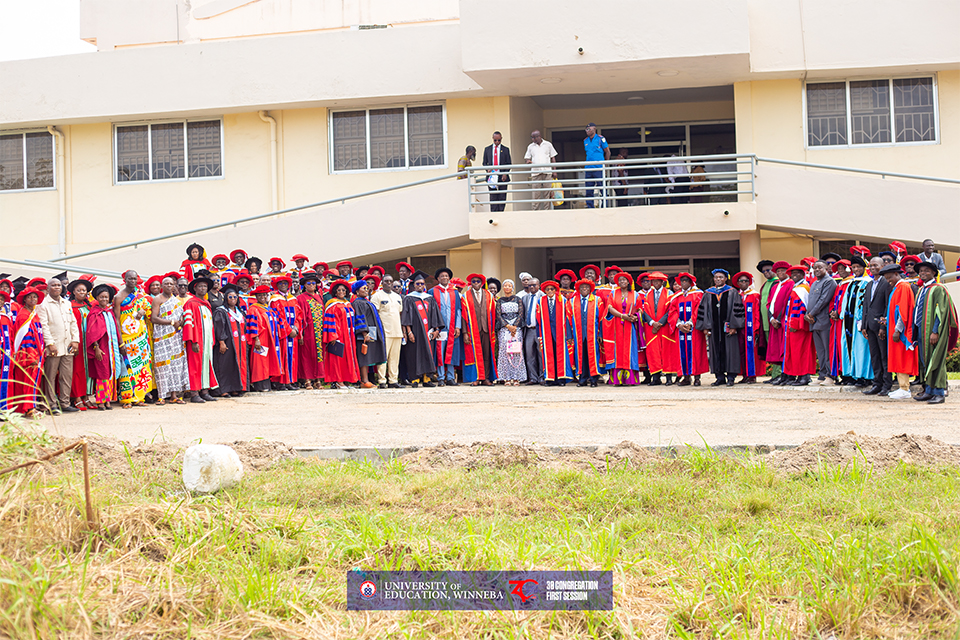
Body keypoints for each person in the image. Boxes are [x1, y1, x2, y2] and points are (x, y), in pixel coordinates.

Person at [913, 262, 958, 404]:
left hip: (932, 331)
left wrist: (935, 331)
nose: (923, 273)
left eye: (927, 270)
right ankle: (928, 390)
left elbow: (941, 312)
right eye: (921, 271)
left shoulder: (939, 289)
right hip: (921, 330)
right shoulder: (922, 289)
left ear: (934, 273)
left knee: (936, 360)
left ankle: (939, 392)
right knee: (925, 360)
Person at [37, 276, 80, 414]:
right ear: (48, 289)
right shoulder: (42, 305)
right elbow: (44, 326)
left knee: (66, 375)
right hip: (53, 347)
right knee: (50, 376)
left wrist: (75, 340)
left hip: (67, 345)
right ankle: (51, 404)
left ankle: (65, 402)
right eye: (53, 285)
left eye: (59, 285)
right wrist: (49, 343)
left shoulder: (66, 303)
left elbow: (73, 323)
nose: (57, 287)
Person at [696, 269, 744, 387]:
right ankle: (720, 377)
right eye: (716, 277)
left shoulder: (732, 292)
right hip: (714, 328)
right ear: (713, 279)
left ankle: (731, 377)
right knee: (715, 352)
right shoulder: (708, 293)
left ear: (725, 279)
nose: (718, 279)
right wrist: (705, 327)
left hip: (728, 328)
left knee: (730, 351)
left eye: (721, 277)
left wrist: (734, 326)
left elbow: (737, 309)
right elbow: (704, 311)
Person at [114, 270, 154, 406]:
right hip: (127, 338)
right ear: (124, 280)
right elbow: (117, 320)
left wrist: (143, 311)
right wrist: (120, 342)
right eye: (129, 279)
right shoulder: (119, 297)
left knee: (142, 367)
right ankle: (126, 398)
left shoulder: (140, 296)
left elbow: (148, 312)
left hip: (141, 337)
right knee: (127, 369)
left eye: (134, 278)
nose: (132, 281)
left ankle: (139, 397)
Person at [149, 276, 189, 405]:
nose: (169, 286)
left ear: (174, 286)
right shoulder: (157, 299)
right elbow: (153, 318)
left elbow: (180, 315)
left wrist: (180, 322)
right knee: (163, 366)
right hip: (162, 338)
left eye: (171, 284)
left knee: (176, 366)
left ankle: (174, 395)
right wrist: (172, 322)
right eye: (166, 284)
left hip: (176, 337)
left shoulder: (176, 300)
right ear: (162, 286)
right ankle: (161, 396)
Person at [880, 264, 917, 400]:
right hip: (894, 329)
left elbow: (902, 311)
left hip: (900, 333)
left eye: (890, 278)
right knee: (897, 357)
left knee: (901, 357)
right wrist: (887, 320)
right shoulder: (896, 288)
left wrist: (897, 329)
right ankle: (902, 387)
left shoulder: (903, 287)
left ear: (897, 274)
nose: (888, 281)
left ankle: (904, 388)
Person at [401, 271, 443, 387]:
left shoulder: (429, 298)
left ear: (424, 285)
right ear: (414, 285)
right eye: (418, 284)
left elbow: (435, 315)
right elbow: (406, 317)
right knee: (414, 355)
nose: (420, 286)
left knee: (428, 354)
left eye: (422, 284)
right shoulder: (409, 298)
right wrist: (409, 332)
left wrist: (436, 330)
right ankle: (415, 380)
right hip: (415, 332)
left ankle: (427, 379)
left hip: (428, 333)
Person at [182, 276, 219, 403]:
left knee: (206, 365)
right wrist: (192, 341)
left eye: (205, 286)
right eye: (200, 286)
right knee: (195, 366)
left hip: (207, 341)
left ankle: (205, 391)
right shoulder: (190, 304)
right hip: (196, 341)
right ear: (195, 288)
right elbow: (188, 323)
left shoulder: (207, 304)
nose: (203, 288)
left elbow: (210, 324)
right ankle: (194, 393)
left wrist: (212, 340)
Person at [86, 284, 122, 411]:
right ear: (97, 298)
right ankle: (101, 401)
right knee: (102, 374)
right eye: (101, 297)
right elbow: (91, 333)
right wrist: (96, 347)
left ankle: (108, 400)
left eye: (106, 297)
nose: (104, 300)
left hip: (111, 348)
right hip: (101, 348)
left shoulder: (109, 312)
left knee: (110, 373)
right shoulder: (94, 314)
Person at [10, 287, 45, 417]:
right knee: (26, 382)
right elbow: (25, 339)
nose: (32, 299)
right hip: (28, 355)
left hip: (37, 353)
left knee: (31, 382)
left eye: (35, 297)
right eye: (29, 297)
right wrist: (31, 356)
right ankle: (28, 409)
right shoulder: (23, 315)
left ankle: (28, 407)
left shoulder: (33, 314)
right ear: (24, 299)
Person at [210, 284, 248, 398]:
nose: (233, 299)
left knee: (236, 365)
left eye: (235, 297)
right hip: (227, 343)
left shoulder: (240, 312)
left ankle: (235, 388)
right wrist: (221, 341)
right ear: (226, 298)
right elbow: (219, 327)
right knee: (224, 366)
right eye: (230, 297)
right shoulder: (221, 311)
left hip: (239, 344)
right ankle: (223, 389)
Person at [862, 257, 893, 396]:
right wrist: (864, 325)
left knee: (884, 356)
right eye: (871, 266)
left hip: (881, 327)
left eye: (876, 265)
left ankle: (887, 385)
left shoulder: (887, 283)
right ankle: (877, 383)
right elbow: (866, 306)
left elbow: (887, 305)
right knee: (874, 356)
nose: (873, 268)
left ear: (882, 266)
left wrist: (883, 326)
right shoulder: (869, 284)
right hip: (869, 326)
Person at [669, 272, 707, 387]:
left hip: (694, 329)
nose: (683, 283)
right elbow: (672, 311)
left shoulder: (698, 294)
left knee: (696, 352)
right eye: (682, 281)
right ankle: (686, 377)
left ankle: (697, 377)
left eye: (686, 281)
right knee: (682, 353)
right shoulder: (677, 296)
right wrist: (679, 324)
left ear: (691, 282)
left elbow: (699, 309)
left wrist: (690, 323)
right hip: (680, 329)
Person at [640, 272, 678, 385]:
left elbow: (671, 310)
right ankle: (655, 378)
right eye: (653, 281)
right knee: (653, 352)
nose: (655, 283)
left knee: (667, 352)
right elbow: (644, 311)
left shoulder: (669, 293)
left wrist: (660, 323)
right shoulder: (647, 294)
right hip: (651, 327)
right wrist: (652, 322)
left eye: (657, 281)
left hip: (665, 326)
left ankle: (669, 378)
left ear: (662, 282)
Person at [841, 255, 873, 387]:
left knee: (861, 348)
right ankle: (852, 375)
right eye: (853, 267)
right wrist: (842, 314)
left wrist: (862, 319)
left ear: (864, 268)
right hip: (849, 320)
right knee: (849, 346)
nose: (856, 269)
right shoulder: (851, 283)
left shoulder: (868, 282)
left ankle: (864, 376)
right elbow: (846, 301)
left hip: (859, 321)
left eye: (858, 267)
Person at [805, 260, 838, 386]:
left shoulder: (829, 282)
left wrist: (811, 314)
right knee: (820, 350)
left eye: (820, 267)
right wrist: (808, 315)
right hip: (814, 321)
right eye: (815, 267)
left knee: (827, 348)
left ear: (827, 268)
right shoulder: (814, 283)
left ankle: (830, 375)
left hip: (824, 320)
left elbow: (824, 300)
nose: (817, 269)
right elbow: (811, 301)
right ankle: (822, 375)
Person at [782, 265, 817, 386]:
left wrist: (795, 324)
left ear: (803, 274)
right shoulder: (797, 287)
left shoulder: (802, 289)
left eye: (798, 273)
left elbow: (801, 309)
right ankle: (799, 375)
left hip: (800, 326)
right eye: (793, 273)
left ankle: (804, 376)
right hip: (793, 325)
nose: (794, 275)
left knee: (802, 351)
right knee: (796, 352)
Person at [322, 280, 360, 388]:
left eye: (344, 290)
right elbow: (330, 321)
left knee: (349, 358)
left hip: (349, 336)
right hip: (339, 336)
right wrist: (333, 336)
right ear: (335, 291)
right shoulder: (332, 305)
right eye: (339, 290)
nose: (341, 292)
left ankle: (347, 380)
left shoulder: (348, 303)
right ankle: (338, 381)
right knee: (338, 360)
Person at [535, 280, 574, 385]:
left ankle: (561, 378)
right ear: (545, 291)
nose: (550, 291)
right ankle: (550, 378)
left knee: (560, 355)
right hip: (546, 332)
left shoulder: (563, 300)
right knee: (548, 355)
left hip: (560, 332)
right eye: (547, 289)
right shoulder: (540, 301)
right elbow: (538, 319)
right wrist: (539, 336)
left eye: (552, 289)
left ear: (556, 290)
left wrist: (569, 335)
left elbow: (568, 319)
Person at [245, 285, 282, 392]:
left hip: (270, 340)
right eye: (260, 295)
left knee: (267, 362)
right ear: (256, 297)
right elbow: (252, 325)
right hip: (261, 340)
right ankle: (259, 385)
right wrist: (256, 339)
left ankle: (267, 384)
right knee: (259, 361)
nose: (262, 297)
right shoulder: (253, 309)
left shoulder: (269, 309)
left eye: (264, 295)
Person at [462, 273, 497, 386]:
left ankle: (486, 377)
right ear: (470, 283)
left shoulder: (488, 295)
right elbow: (463, 316)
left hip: (487, 329)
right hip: (472, 330)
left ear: (482, 283)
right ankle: (476, 377)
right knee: (474, 354)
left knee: (487, 354)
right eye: (473, 281)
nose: (476, 283)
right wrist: (464, 333)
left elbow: (493, 313)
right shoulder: (465, 296)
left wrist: (494, 330)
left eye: (478, 281)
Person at [351, 280, 387, 389]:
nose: (367, 290)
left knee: (368, 356)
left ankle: (367, 380)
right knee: (364, 357)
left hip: (371, 332)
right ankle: (364, 381)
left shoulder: (366, 301)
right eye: (364, 288)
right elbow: (360, 318)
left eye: (367, 288)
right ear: (357, 291)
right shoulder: (358, 303)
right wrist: (365, 333)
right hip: (364, 335)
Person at [430, 267, 462, 386]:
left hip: (452, 327)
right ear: (438, 279)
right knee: (440, 353)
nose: (444, 278)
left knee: (451, 352)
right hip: (439, 328)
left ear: (449, 278)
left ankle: (450, 378)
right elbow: (431, 312)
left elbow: (458, 310)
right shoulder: (433, 291)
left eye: (446, 276)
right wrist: (434, 328)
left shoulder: (454, 292)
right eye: (442, 276)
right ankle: (441, 377)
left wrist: (457, 326)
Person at [371, 274, 404, 389]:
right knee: (383, 357)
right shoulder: (377, 296)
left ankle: (393, 380)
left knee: (395, 358)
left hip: (397, 331)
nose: (388, 283)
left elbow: (400, 313)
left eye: (390, 281)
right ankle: (382, 381)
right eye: (386, 281)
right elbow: (375, 315)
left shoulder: (397, 297)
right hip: (385, 331)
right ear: (382, 282)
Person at [764, 261, 794, 385]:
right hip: (774, 323)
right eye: (778, 271)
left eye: (783, 271)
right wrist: (771, 319)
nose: (780, 273)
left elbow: (788, 303)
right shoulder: (776, 286)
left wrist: (779, 319)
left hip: (783, 322)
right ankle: (782, 374)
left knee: (785, 348)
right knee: (777, 349)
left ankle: (788, 375)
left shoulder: (791, 284)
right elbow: (769, 303)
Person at [733, 272, 766, 383]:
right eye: (741, 281)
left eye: (746, 281)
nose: (744, 283)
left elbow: (757, 312)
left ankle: (752, 375)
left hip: (750, 328)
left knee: (751, 351)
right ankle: (744, 375)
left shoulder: (755, 295)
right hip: (739, 328)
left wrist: (756, 329)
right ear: (737, 283)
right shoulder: (736, 295)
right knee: (741, 351)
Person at [571, 279, 604, 387]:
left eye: (586, 287)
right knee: (581, 356)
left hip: (593, 333)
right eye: (582, 287)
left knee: (593, 355)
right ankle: (582, 379)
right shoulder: (572, 301)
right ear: (578, 289)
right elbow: (567, 319)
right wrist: (569, 335)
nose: (584, 289)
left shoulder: (597, 300)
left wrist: (601, 334)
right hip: (578, 334)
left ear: (590, 289)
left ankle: (594, 379)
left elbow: (602, 318)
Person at [270, 275, 300, 391]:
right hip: (282, 334)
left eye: (285, 283)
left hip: (293, 334)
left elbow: (299, 316)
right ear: (277, 286)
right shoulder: (275, 299)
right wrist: (288, 330)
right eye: (281, 283)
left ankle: (289, 381)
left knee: (291, 357)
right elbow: (278, 317)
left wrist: (296, 329)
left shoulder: (293, 299)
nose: (283, 285)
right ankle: (280, 383)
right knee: (282, 357)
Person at [295, 272, 325, 390]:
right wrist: (300, 333)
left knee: (319, 356)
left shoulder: (319, 298)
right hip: (308, 332)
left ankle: (318, 380)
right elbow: (300, 317)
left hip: (319, 331)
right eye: (309, 283)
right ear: (304, 285)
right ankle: (307, 380)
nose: (311, 285)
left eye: (313, 283)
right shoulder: (300, 298)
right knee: (306, 356)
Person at [495, 279, 526, 386]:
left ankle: (516, 378)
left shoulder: (518, 299)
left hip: (516, 329)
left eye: (509, 285)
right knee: (504, 352)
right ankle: (506, 378)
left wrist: (514, 326)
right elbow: (498, 315)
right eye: (505, 286)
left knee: (516, 351)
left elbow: (521, 313)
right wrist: (508, 326)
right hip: (504, 329)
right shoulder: (500, 300)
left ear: (512, 287)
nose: (507, 287)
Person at [524, 130, 559, 210]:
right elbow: (527, 158)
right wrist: (528, 161)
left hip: (547, 172)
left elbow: (553, 158)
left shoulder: (548, 144)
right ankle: (536, 211)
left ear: (539, 136)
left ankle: (547, 211)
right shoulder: (530, 146)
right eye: (532, 138)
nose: (533, 139)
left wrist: (554, 170)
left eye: (534, 137)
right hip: (536, 173)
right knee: (536, 195)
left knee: (547, 194)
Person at [521, 278, 543, 385]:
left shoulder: (543, 297)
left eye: (534, 285)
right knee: (530, 355)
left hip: (540, 330)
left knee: (541, 355)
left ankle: (542, 377)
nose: (532, 287)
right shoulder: (525, 298)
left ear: (539, 285)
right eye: (530, 286)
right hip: (529, 330)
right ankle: (533, 378)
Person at [482, 131, 511, 212]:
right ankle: (494, 214)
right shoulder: (487, 149)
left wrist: (505, 173)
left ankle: (501, 213)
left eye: (499, 140)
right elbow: (484, 163)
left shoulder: (505, 150)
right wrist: (487, 169)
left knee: (502, 197)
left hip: (502, 177)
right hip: (492, 176)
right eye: (495, 140)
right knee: (493, 197)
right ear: (493, 139)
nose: (497, 142)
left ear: (501, 139)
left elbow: (509, 163)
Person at [583, 123, 609, 208]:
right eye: (586, 129)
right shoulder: (585, 141)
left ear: (594, 129)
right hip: (589, 168)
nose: (587, 131)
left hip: (599, 168)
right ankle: (590, 207)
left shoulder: (600, 139)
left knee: (602, 188)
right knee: (589, 190)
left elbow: (607, 152)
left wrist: (605, 166)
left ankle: (604, 206)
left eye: (589, 129)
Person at [756, 260, 777, 358]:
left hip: (774, 321)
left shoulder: (778, 283)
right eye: (763, 271)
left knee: (776, 347)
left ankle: (778, 372)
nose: (765, 272)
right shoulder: (765, 284)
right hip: (765, 322)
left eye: (768, 270)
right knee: (769, 347)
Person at [0, 290, 13, 412]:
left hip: (5, 355)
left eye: (2, 299)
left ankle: (3, 408)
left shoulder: (5, 318)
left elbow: (11, 335)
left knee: (4, 381)